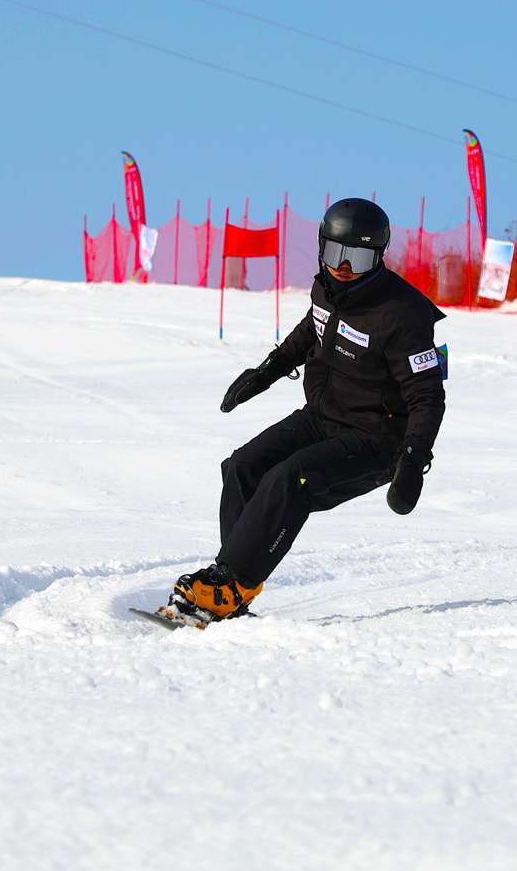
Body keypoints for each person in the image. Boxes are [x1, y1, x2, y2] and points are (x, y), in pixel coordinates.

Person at [164, 197, 447, 624]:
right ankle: (231, 583)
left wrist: (412, 458)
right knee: (241, 466)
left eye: (358, 258)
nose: (344, 267)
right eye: (335, 254)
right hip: (322, 417)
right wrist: (267, 371)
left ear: (379, 256)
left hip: (375, 439)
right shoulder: (327, 288)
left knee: (288, 480)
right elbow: (310, 331)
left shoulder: (401, 314)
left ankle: (229, 585)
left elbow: (427, 395)